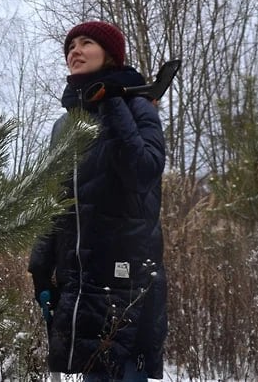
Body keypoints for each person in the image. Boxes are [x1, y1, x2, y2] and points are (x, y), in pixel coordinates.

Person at [28, 20, 168, 381]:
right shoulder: (66, 125)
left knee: (121, 370)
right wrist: (41, 266)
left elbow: (143, 172)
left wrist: (114, 102)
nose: (75, 50)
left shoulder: (139, 109)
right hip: (78, 279)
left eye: (86, 42)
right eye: (70, 45)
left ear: (110, 55)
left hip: (125, 280)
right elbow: (53, 200)